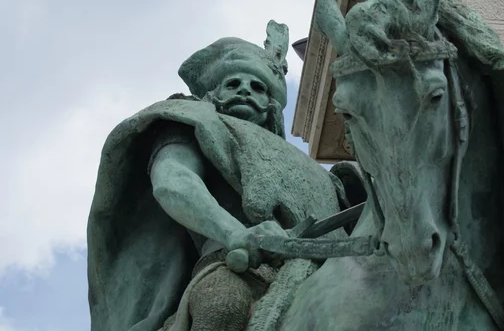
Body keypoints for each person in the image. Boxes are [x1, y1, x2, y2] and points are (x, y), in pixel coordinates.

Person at [87, 20, 345, 331]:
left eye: (258, 87)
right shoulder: (193, 122)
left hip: (333, 265)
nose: (246, 90)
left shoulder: (314, 171)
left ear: (270, 106)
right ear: (213, 94)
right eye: (233, 83)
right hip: (241, 264)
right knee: (223, 305)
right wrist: (235, 233)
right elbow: (173, 182)